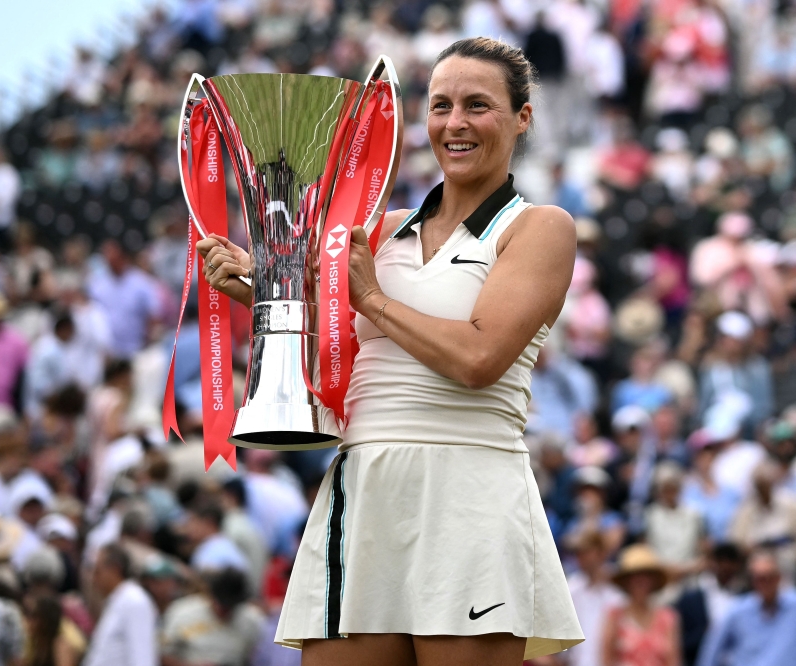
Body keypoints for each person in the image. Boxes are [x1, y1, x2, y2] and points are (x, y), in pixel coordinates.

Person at [199, 37, 583, 664]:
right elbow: (329, 338)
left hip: (469, 495)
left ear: (523, 117)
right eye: (440, 105)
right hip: (363, 490)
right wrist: (254, 284)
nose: (455, 123)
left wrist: (371, 297)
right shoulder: (375, 227)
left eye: (477, 105)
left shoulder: (541, 227)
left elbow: (477, 359)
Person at [696, 549, 796, 666]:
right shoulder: (737, 610)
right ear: (752, 581)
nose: (766, 583)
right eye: (760, 578)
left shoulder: (793, 608)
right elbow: (711, 650)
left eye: (770, 577)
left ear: (779, 578)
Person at [162, 567, 264, 666]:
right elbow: (162, 655)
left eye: (232, 606)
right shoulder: (182, 613)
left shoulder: (251, 620)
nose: (226, 611)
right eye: (223, 605)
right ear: (211, 595)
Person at [600, 544, 682, 666]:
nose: (640, 581)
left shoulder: (668, 617)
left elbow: (674, 661)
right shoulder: (615, 616)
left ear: (654, 580)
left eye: (645, 576)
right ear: (626, 581)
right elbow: (606, 660)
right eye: (635, 576)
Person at [82, 543, 158, 666]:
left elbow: (142, 658)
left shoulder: (134, 601)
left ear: (115, 569)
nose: (93, 579)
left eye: (97, 571)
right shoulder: (117, 600)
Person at [674, 543, 745, 666]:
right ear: (711, 563)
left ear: (738, 565)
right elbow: (678, 644)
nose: (725, 566)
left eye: (730, 560)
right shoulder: (692, 599)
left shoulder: (747, 598)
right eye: (720, 560)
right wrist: (705, 634)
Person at [565, 531, 625, 666]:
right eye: (578, 553)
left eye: (586, 552)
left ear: (601, 553)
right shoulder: (571, 589)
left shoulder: (618, 590)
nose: (580, 557)